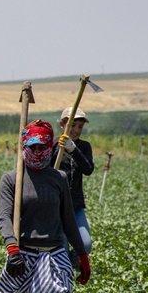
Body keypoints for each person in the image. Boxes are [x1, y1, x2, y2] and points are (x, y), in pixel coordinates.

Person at [0, 120, 92, 293]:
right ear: (24, 147)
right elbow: (4, 217)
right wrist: (12, 248)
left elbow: (69, 220)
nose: (38, 152)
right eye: (33, 147)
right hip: (23, 256)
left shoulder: (58, 178)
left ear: (50, 148)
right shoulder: (12, 179)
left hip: (54, 256)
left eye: (42, 147)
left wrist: (82, 255)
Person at [53, 107, 94, 261]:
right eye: (73, 125)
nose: (76, 130)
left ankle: (73, 263)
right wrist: (59, 149)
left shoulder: (84, 147)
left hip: (75, 205)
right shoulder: (54, 146)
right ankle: (64, 272)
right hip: (57, 205)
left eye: (80, 127)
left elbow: (88, 169)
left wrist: (73, 149)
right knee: (61, 246)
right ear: (63, 125)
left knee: (85, 244)